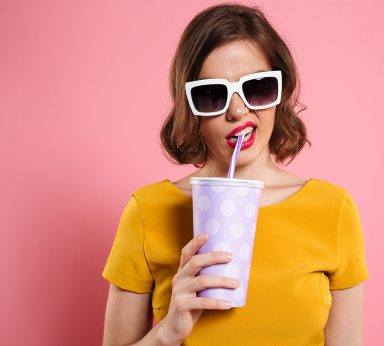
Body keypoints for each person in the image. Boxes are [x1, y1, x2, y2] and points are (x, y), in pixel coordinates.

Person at [101, 3, 369, 346]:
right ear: (191, 108)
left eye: (257, 88)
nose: (238, 110)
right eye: (212, 94)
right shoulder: (147, 211)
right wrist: (167, 331)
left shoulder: (333, 210)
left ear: (281, 93)